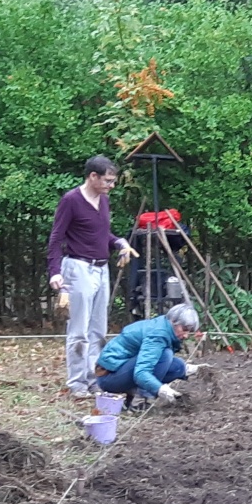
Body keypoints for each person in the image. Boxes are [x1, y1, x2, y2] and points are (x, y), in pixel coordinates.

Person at [48, 156, 134, 400]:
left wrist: (119, 242)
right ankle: (77, 383)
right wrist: (54, 271)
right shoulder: (71, 200)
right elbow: (56, 238)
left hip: (101, 268)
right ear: (92, 176)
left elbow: (101, 234)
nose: (111, 185)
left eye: (113, 181)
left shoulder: (103, 200)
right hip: (78, 268)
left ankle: (94, 380)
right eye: (107, 180)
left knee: (98, 330)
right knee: (79, 330)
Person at [94, 304, 203, 403]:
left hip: (122, 369)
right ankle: (141, 399)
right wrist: (161, 389)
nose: (186, 335)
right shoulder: (158, 335)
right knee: (165, 355)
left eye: (189, 331)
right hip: (109, 377)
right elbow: (141, 373)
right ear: (174, 321)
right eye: (184, 329)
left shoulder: (164, 325)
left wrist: (188, 369)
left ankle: (137, 392)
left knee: (178, 367)